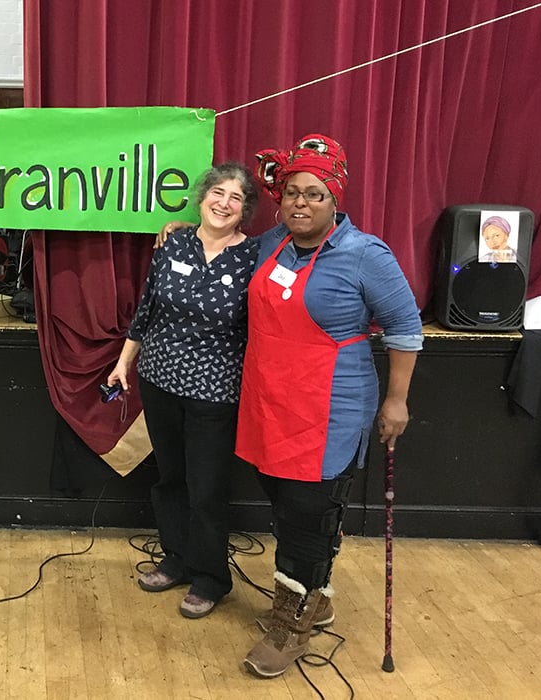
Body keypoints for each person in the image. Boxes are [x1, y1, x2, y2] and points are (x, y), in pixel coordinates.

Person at [237, 134, 423, 677]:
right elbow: (225, 252)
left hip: (329, 407)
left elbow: (406, 328)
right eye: (292, 192)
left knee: (307, 515)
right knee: (282, 502)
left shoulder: (366, 255)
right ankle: (314, 593)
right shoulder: (272, 241)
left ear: (334, 199)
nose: (300, 203)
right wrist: (185, 234)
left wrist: (396, 401)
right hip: (270, 398)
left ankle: (290, 622)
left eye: (313, 194)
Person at [107, 162, 260, 619]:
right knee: (170, 478)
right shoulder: (173, 242)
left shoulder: (255, 256)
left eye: (235, 198)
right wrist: (122, 364)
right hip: (159, 382)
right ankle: (176, 558)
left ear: (244, 211)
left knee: (207, 487)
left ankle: (211, 577)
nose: (224, 203)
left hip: (215, 392)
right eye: (218, 192)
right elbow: (147, 311)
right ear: (202, 196)